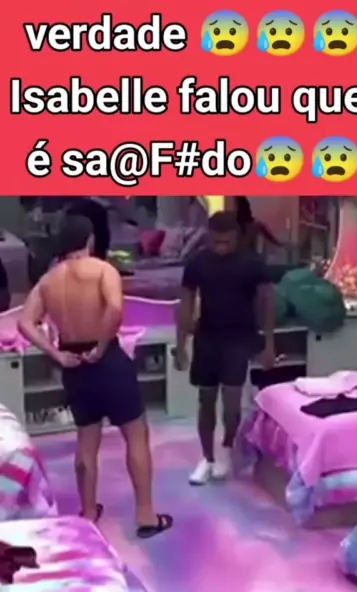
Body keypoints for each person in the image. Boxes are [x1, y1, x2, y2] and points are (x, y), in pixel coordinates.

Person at [18, 216, 172, 538]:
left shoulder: (48, 280)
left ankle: (88, 512)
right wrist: (101, 347)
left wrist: (57, 354)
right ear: (89, 240)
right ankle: (146, 514)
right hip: (107, 359)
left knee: (86, 440)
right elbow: (114, 309)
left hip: (74, 365)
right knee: (136, 434)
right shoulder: (103, 270)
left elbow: (25, 323)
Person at [174, 211, 276, 485]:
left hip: (239, 339)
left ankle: (227, 447)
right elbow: (185, 303)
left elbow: (267, 302)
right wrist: (180, 345)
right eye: (215, 241)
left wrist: (269, 343)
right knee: (205, 401)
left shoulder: (252, 263)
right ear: (208, 236)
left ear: (236, 238)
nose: (220, 247)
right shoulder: (197, 263)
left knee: (231, 404)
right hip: (206, 338)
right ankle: (206, 458)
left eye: (226, 242)